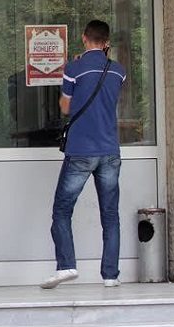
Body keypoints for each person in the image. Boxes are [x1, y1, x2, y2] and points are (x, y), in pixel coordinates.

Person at [41, 20, 127, 289]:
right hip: (110, 151)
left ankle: (66, 266)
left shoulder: (74, 68)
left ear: (84, 38)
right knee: (110, 215)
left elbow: (66, 107)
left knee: (62, 210)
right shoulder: (119, 71)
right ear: (107, 42)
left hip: (81, 150)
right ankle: (110, 276)